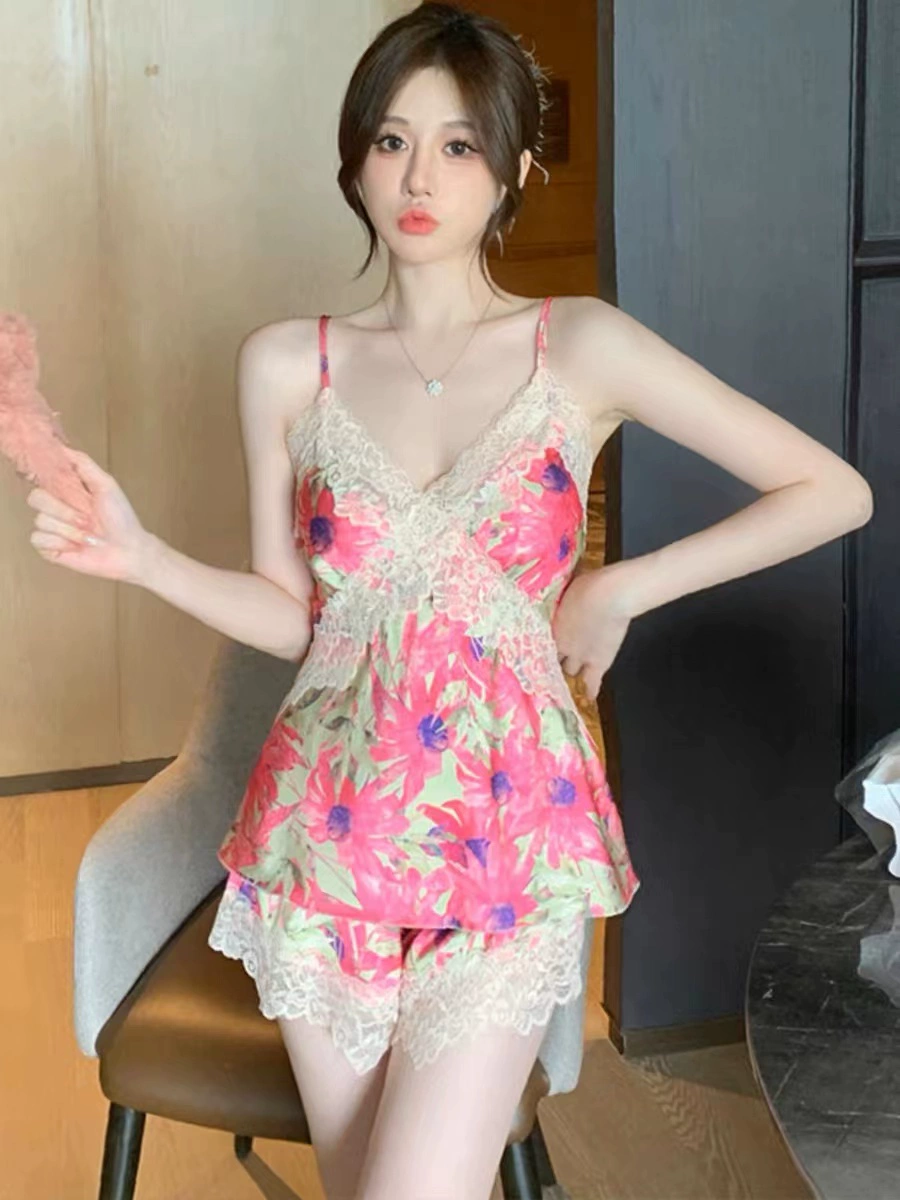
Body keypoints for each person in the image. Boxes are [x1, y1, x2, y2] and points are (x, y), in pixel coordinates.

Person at [26, 4, 873, 1199]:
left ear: (515, 169)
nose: (419, 177)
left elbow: (832, 491)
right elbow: (292, 616)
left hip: (509, 834)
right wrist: (146, 556)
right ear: (355, 161)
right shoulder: (287, 363)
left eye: (460, 145)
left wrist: (622, 583)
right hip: (323, 832)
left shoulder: (579, 346)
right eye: (392, 140)